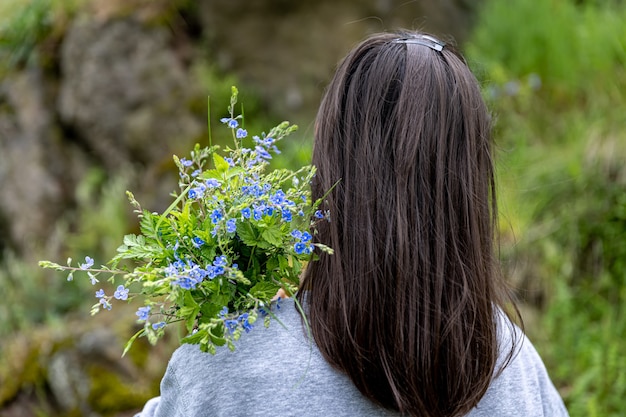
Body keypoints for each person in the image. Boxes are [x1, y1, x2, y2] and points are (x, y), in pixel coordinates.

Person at [135, 30, 569, 417]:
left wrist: (221, 334)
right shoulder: (518, 371)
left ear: (328, 175)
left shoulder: (231, 365)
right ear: (470, 192)